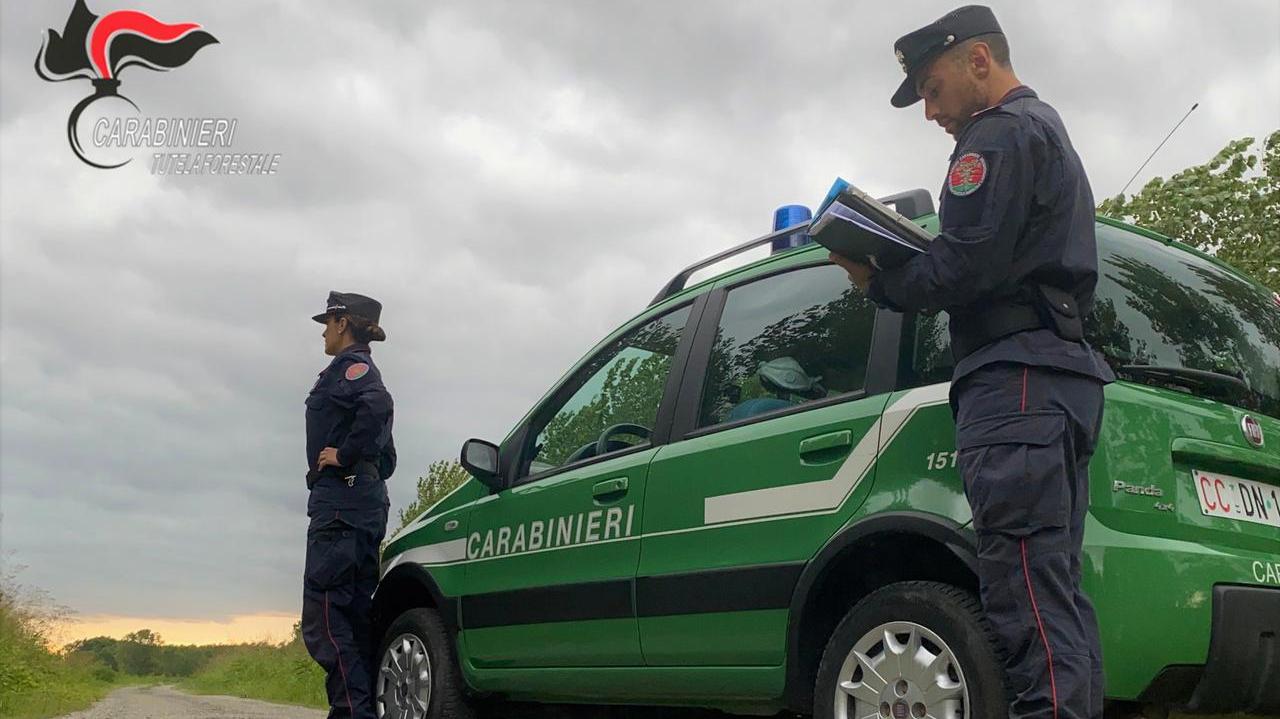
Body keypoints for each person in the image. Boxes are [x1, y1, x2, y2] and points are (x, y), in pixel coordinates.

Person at [829, 6, 1115, 718]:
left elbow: (963, 265)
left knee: (1023, 594)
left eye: (932, 89)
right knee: (1054, 593)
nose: (931, 112)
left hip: (1015, 383)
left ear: (979, 60)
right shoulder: (1048, 129)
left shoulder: (995, 135)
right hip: (1060, 377)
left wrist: (878, 280)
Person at [302, 290, 396, 719]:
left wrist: (344, 456)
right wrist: (368, 466)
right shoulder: (360, 372)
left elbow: (378, 406)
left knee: (325, 618)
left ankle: (354, 712)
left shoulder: (351, 369)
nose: (323, 331)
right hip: (362, 503)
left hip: (341, 505)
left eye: (327, 322)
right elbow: (386, 450)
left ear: (342, 324)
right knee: (354, 617)